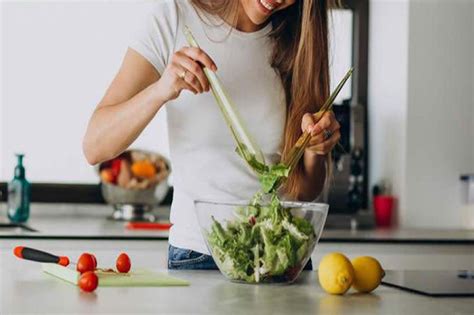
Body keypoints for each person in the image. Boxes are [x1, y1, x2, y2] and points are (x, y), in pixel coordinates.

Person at [83, 0, 341, 270]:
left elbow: (303, 192)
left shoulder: (300, 37)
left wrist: (314, 150)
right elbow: (95, 146)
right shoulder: (174, 17)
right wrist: (161, 89)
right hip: (201, 255)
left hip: (282, 257)